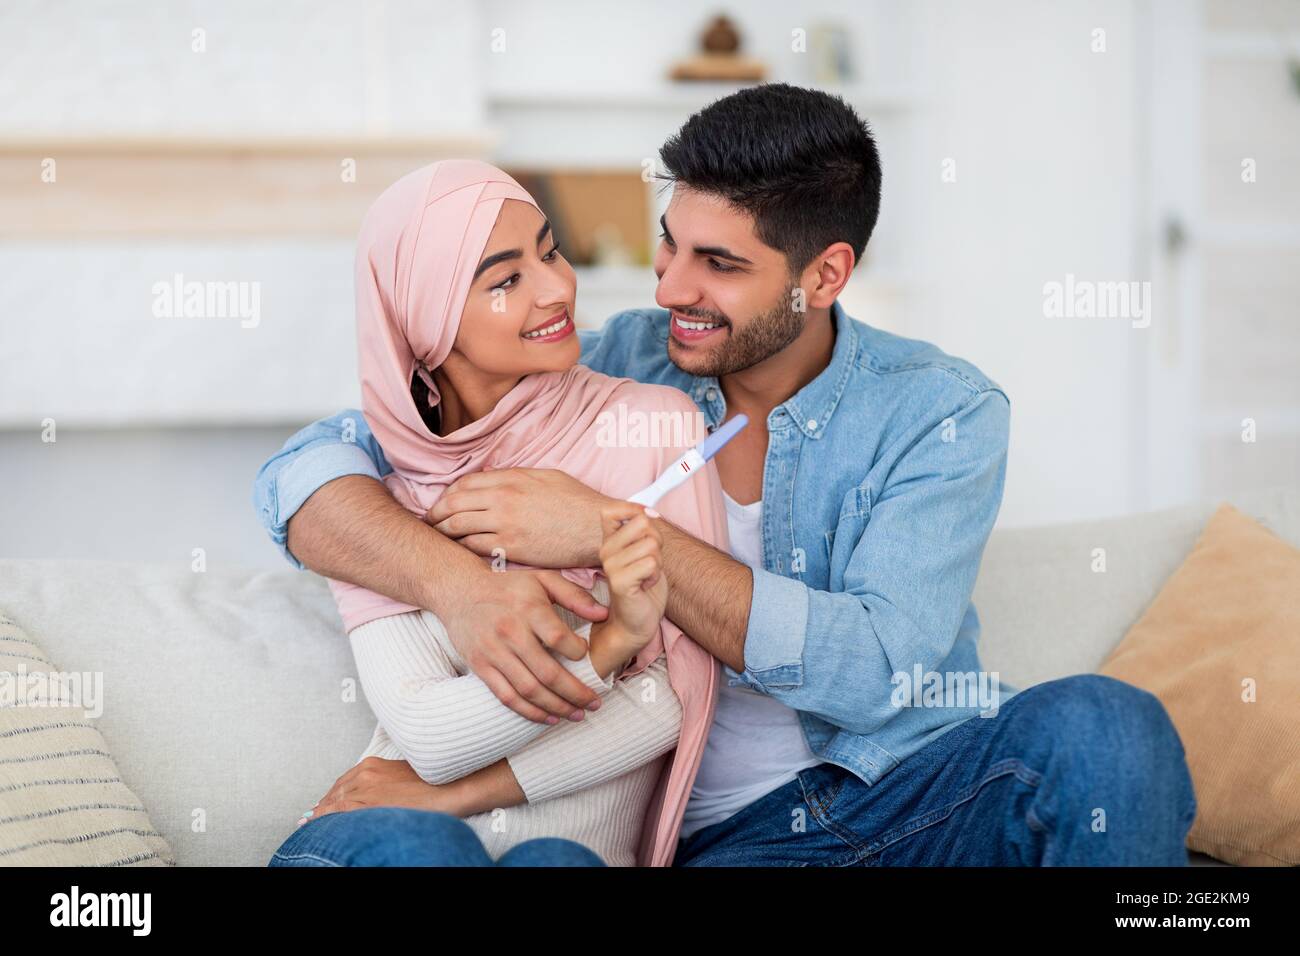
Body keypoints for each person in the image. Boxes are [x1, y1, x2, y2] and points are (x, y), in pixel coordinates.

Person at [256, 84, 1196, 866]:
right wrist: (456, 586)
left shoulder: (941, 412)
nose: (667, 288)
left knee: (1108, 728)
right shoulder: (616, 367)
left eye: (718, 265)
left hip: (920, 794)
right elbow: (316, 467)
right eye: (670, 243)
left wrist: (612, 532)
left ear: (823, 276)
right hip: (727, 844)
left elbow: (872, 673)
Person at [268, 159, 730, 867]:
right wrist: (609, 650)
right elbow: (427, 736)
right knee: (427, 846)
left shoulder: (654, 428)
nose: (557, 288)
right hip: (382, 844)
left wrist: (454, 795)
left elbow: (669, 705)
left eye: (549, 251)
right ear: (426, 319)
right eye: (506, 279)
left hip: (556, 851)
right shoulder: (376, 496)